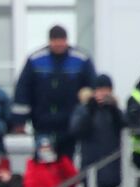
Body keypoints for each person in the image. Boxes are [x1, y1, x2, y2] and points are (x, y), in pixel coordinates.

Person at [10, 24, 96, 159]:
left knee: (66, 166)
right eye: (55, 41)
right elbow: (23, 90)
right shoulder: (35, 60)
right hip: (42, 124)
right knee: (44, 166)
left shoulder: (81, 60)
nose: (59, 44)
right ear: (49, 41)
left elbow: (92, 88)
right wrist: (19, 121)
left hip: (70, 125)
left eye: (62, 40)